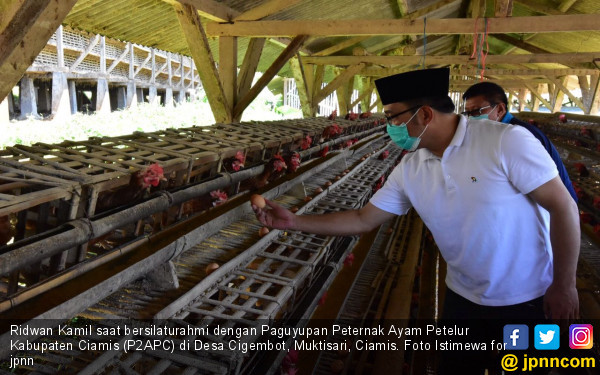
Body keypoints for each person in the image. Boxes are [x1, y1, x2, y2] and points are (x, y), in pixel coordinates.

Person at [252, 68, 580, 373]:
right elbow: (363, 218)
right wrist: (295, 221)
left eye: (391, 117)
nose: (388, 127)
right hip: (462, 299)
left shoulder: (505, 141)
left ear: (424, 114)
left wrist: (564, 284)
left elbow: (562, 207)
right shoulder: (411, 168)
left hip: (527, 299)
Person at [462, 82, 578, 202]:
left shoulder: (519, 136)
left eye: (477, 111)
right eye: (468, 113)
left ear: (500, 109)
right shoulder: (493, 133)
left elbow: (554, 196)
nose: (471, 118)